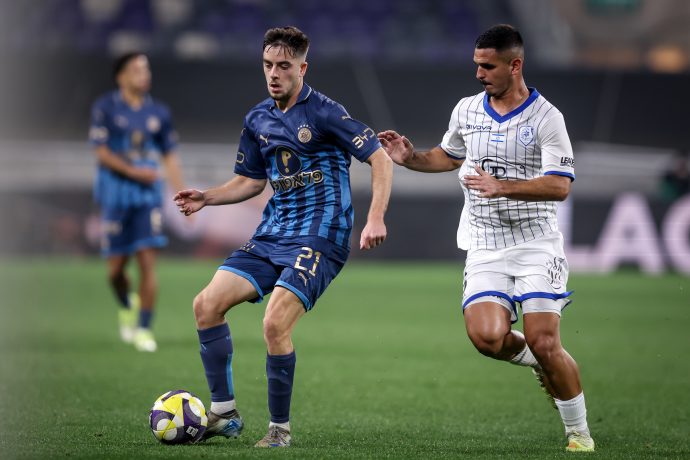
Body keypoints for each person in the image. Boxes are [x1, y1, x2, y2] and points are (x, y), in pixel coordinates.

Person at [378, 24, 594, 453]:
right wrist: (410, 158)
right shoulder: (467, 110)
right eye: (477, 65)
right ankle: (542, 364)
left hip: (535, 242)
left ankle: (579, 435)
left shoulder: (546, 118)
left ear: (515, 65)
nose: (479, 74)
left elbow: (560, 185)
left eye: (488, 66)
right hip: (485, 241)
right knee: (487, 338)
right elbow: (448, 156)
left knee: (545, 339)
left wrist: (502, 187)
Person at [174, 26, 392, 448]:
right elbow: (251, 181)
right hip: (273, 233)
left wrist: (375, 218)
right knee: (206, 305)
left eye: (284, 66)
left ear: (303, 69)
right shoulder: (258, 118)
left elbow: (380, 160)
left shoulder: (326, 112)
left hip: (322, 235)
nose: (274, 74)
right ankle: (224, 412)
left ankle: (279, 430)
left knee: (274, 323)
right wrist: (207, 197)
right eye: (268, 65)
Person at [89, 52, 186, 352]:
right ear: (121, 76)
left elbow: (169, 155)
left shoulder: (159, 112)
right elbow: (101, 152)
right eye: (136, 70)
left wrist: (182, 193)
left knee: (147, 261)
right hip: (116, 195)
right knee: (115, 271)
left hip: (148, 197)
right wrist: (134, 172)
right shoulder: (105, 107)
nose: (144, 75)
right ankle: (126, 303)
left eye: (146, 69)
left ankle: (144, 328)